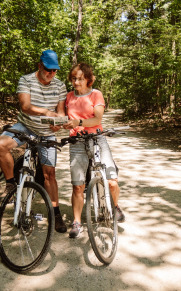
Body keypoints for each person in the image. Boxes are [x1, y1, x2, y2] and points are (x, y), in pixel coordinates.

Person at [0, 50, 68, 233]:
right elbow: (25, 106)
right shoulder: (26, 80)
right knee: (0, 145)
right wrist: (45, 112)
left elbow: (60, 112)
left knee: (50, 173)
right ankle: (11, 183)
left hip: (46, 132)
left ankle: (55, 213)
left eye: (55, 71)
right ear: (40, 66)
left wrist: (58, 123)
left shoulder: (60, 85)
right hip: (25, 126)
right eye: (48, 69)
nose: (51, 74)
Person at [63, 63, 125, 238]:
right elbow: (62, 117)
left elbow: (97, 118)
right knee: (78, 185)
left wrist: (79, 123)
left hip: (97, 138)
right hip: (77, 142)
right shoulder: (68, 97)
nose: (76, 82)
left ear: (88, 79)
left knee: (112, 181)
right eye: (74, 78)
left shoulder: (96, 94)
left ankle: (115, 206)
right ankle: (76, 222)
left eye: (81, 79)